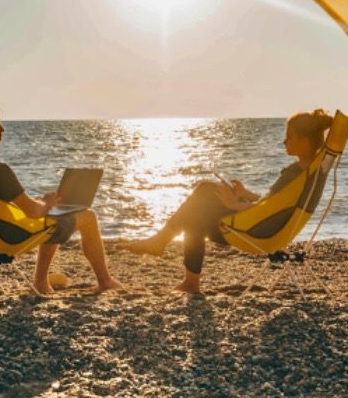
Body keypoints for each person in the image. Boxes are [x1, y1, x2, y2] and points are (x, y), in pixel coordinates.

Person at [120, 110, 335, 293]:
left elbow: (271, 209)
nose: (284, 141)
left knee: (199, 204)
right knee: (203, 198)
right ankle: (165, 249)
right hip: (273, 228)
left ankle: (177, 264)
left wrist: (233, 205)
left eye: (289, 137)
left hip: (259, 233)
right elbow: (276, 205)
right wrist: (245, 195)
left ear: (305, 142)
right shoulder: (312, 172)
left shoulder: (294, 173)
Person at [0, 104, 124, 296]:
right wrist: (47, 204)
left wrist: (43, 204)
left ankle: (41, 282)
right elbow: (32, 211)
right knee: (88, 217)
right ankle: (105, 281)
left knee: (52, 215)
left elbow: (5, 204)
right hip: (11, 237)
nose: (2, 128)